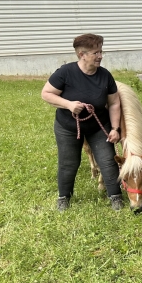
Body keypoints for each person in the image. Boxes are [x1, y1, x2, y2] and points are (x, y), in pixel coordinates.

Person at [41, 34, 123, 212]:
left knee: (108, 161)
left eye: (101, 51)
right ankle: (64, 197)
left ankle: (116, 196)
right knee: (69, 162)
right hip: (68, 127)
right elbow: (46, 93)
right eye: (96, 52)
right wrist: (68, 104)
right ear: (82, 54)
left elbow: (114, 102)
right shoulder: (65, 72)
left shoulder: (105, 75)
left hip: (97, 126)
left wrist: (115, 128)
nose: (100, 56)